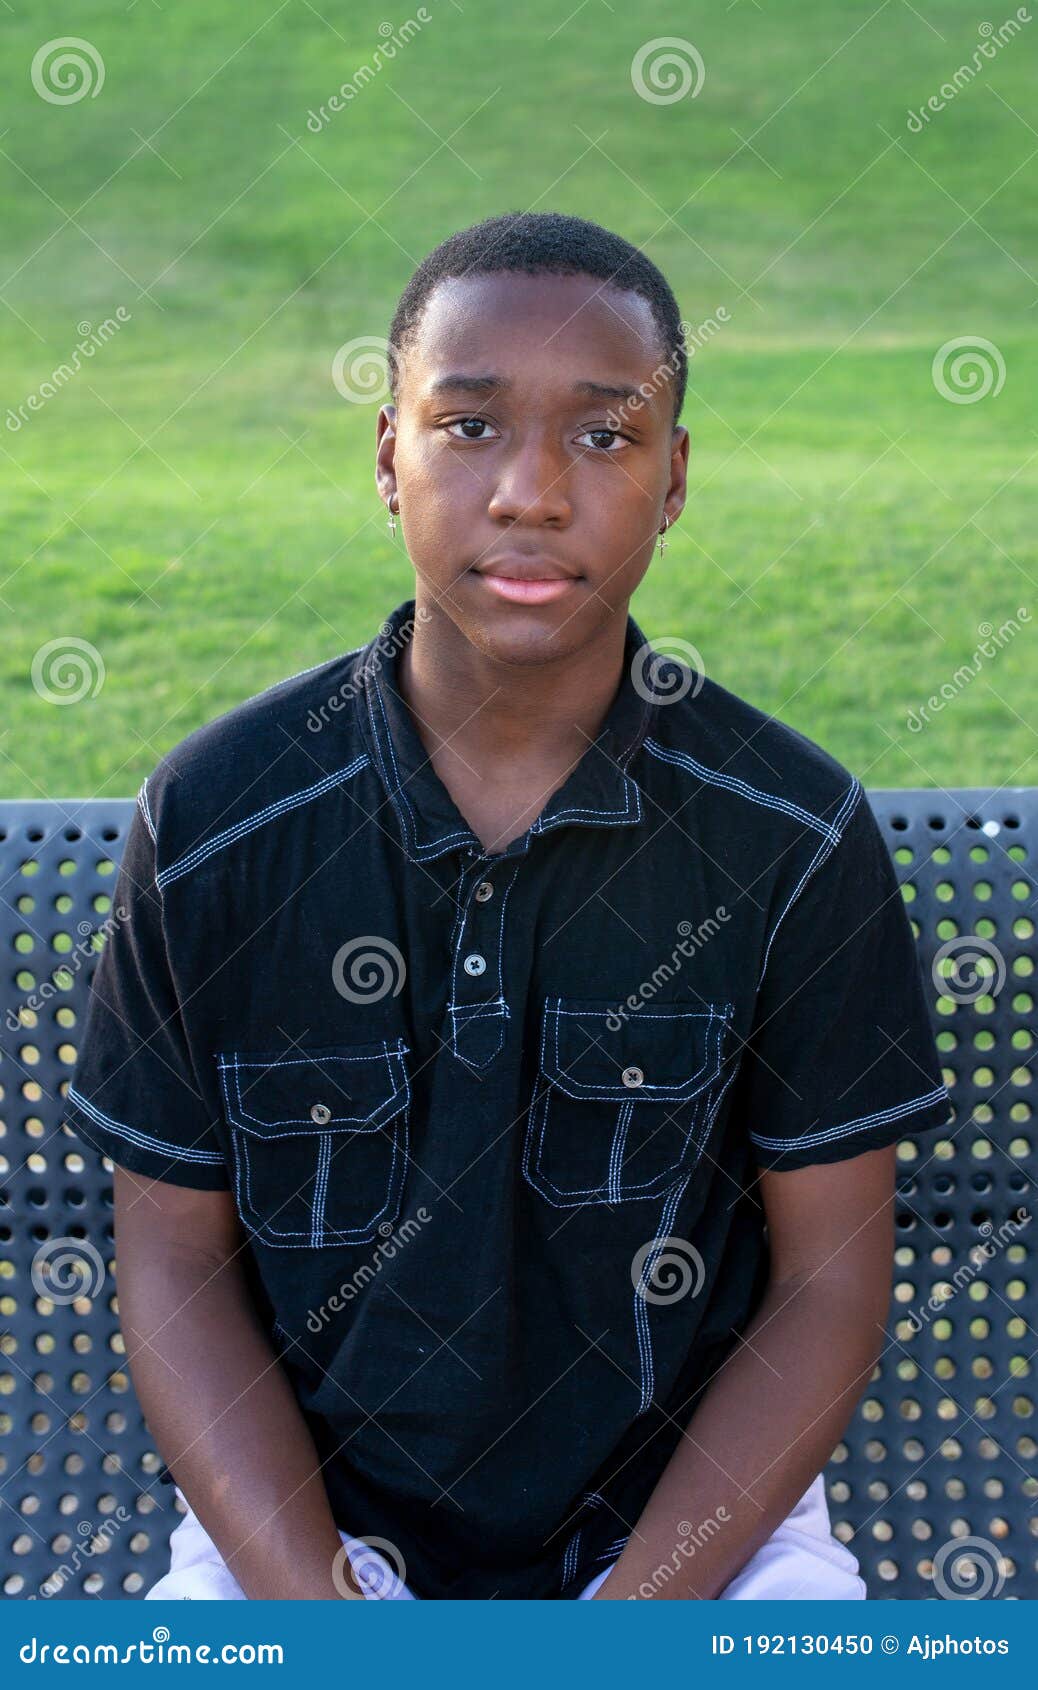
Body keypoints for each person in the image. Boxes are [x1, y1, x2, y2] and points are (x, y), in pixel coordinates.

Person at [65, 210, 951, 1601]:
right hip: (307, 1531)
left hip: (693, 1538)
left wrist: (627, 1626)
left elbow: (825, 1283)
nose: (531, 491)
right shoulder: (216, 823)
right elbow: (172, 1265)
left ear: (671, 481)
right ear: (386, 456)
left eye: (603, 437)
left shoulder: (785, 836)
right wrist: (325, 1617)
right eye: (469, 426)